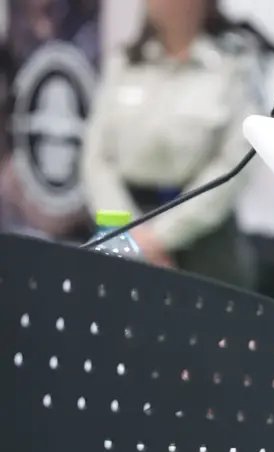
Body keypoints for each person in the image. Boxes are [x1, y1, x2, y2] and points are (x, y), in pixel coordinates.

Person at [81, 0, 258, 287]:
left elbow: (235, 162)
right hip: (122, 231)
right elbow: (96, 158)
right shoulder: (125, 62)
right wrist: (130, 234)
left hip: (202, 242)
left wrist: (158, 238)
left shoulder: (233, 65)